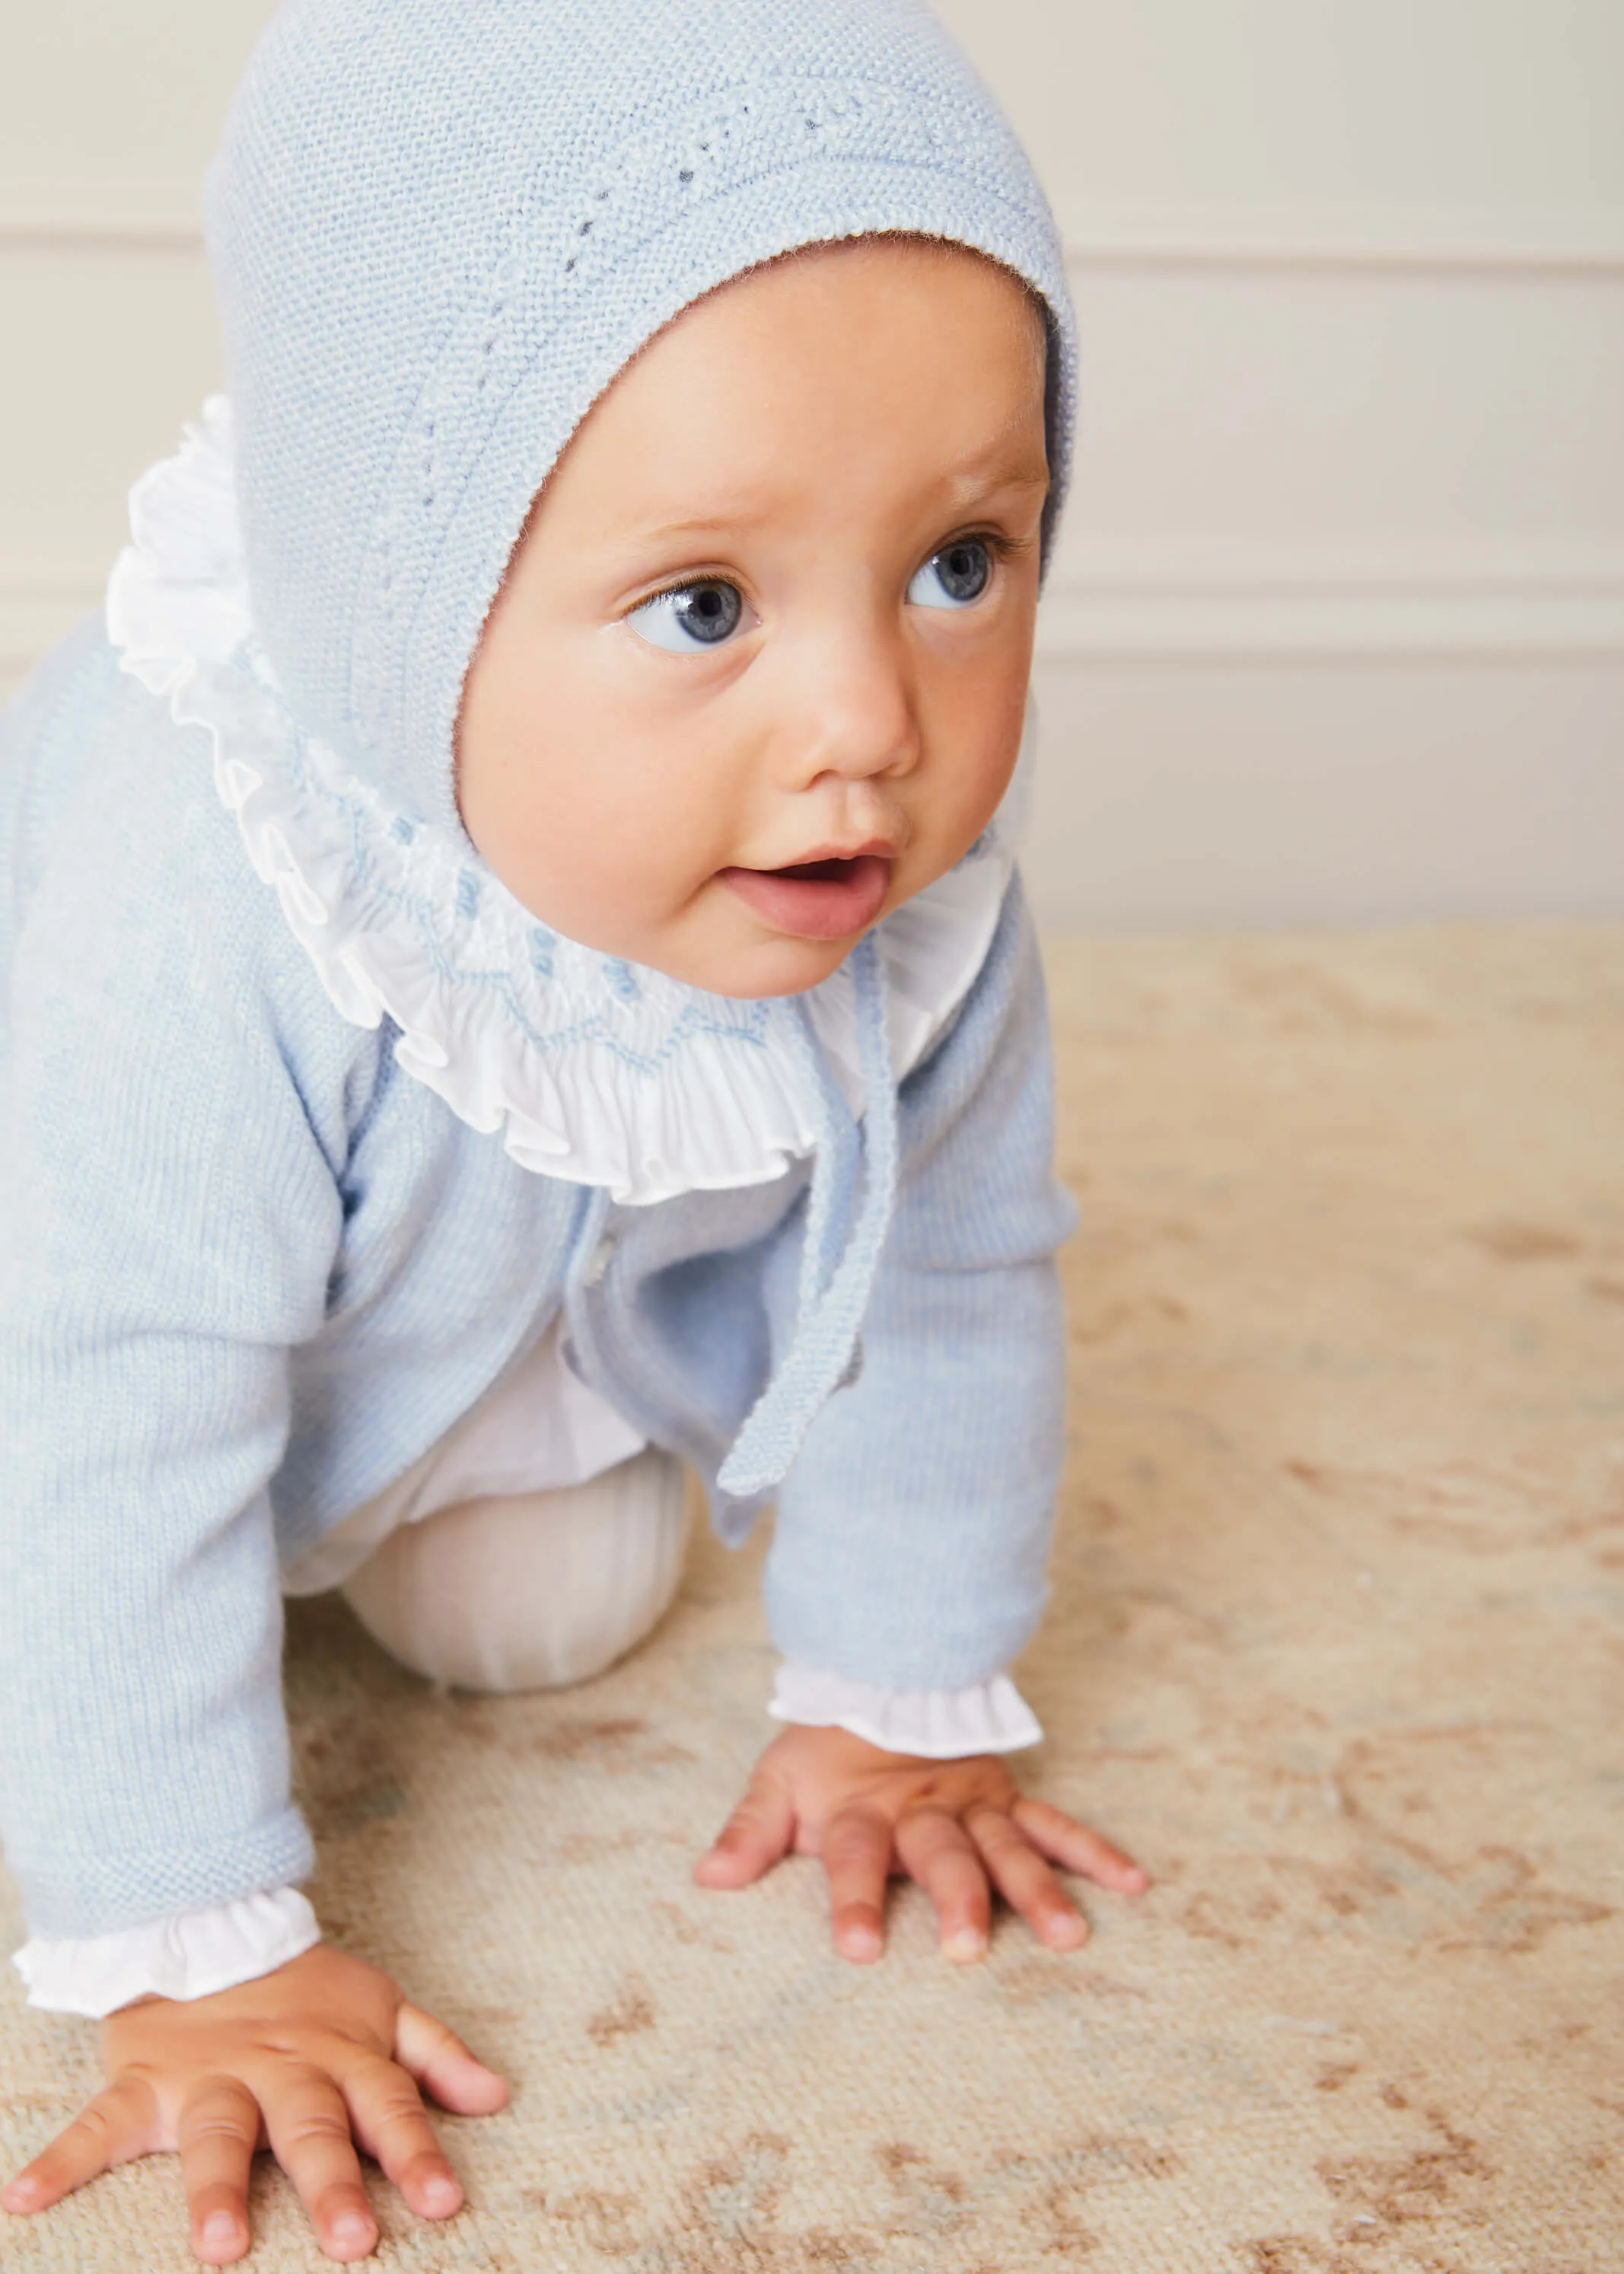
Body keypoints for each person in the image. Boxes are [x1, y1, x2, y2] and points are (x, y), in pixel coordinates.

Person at [0, 0, 1147, 2260]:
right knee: (80, 1577)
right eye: (703, 604)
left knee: (549, 1609)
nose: (864, 727)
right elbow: (108, 1372)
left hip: (457, 1312)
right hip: (75, 1299)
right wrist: (191, 1938)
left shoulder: (910, 911)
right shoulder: (201, 874)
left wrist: (901, 1687)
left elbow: (951, 1262)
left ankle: (419, 1451)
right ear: (390, 602)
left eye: (960, 562)